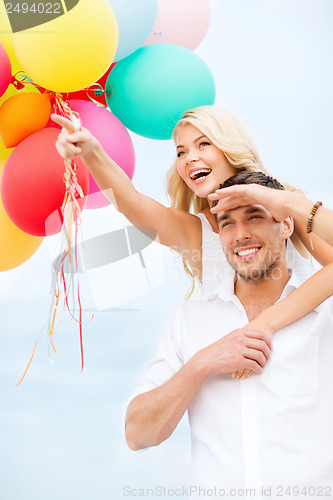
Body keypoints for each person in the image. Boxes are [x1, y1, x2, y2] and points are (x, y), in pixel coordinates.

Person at [51, 105, 333, 379]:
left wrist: (264, 325)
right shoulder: (195, 231)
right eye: (181, 152)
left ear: (228, 148)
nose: (189, 158)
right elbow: (132, 203)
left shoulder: (281, 205)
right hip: (237, 377)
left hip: (302, 365)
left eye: (203, 144)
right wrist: (91, 151)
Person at [125, 171, 333, 498]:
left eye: (256, 216)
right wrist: (203, 363)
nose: (241, 235)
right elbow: (138, 433)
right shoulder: (188, 321)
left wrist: (286, 202)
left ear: (287, 225)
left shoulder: (327, 314)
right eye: (227, 223)